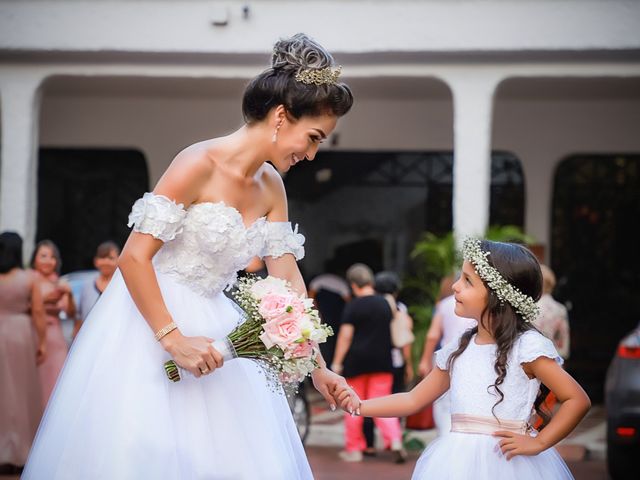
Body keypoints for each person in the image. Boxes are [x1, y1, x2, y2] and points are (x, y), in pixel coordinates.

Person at [23, 33, 357, 480]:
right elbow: (133, 259)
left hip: (220, 334)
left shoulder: (273, 186)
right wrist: (172, 338)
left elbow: (288, 285)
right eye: (313, 137)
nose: (312, 153)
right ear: (281, 116)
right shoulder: (197, 163)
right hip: (146, 325)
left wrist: (318, 369)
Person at [340, 239, 591, 479]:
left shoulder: (526, 348)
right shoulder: (458, 349)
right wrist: (359, 405)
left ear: (497, 295)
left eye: (468, 281)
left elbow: (576, 400)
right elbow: (412, 399)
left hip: (509, 464)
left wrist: (540, 443)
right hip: (455, 464)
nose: (455, 286)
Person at [331, 263, 405, 463]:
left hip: (356, 363)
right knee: (381, 403)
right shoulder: (385, 304)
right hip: (383, 361)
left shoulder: (353, 306)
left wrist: (337, 363)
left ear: (353, 285)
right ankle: (395, 440)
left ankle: (354, 449)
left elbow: (345, 337)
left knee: (353, 405)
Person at [0, 232, 46, 473]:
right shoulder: (29, 278)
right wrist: (42, 343)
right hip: (20, 335)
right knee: (20, 393)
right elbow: (38, 313)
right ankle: (20, 451)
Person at [417, 291, 476, 435]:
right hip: (473, 355)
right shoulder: (479, 301)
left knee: (443, 403)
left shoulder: (445, 304)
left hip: (447, 357)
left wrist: (425, 360)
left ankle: (445, 437)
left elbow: (433, 335)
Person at [30, 239, 76, 406]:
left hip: (56, 339)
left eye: (52, 257)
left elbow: (70, 313)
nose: (48, 261)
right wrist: (44, 300)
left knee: (57, 380)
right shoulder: (29, 281)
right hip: (34, 336)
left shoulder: (58, 282)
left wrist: (69, 295)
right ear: (34, 258)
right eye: (43, 256)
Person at [73, 241, 121, 337]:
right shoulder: (86, 287)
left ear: (119, 260)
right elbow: (80, 318)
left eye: (110, 258)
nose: (106, 262)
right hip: (89, 336)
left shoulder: (122, 287)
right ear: (96, 261)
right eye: (102, 257)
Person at [308, 262, 351, 365]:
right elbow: (349, 301)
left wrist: (315, 313)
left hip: (322, 315)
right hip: (336, 316)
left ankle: (321, 363)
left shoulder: (318, 281)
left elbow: (310, 297)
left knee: (321, 342)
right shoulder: (341, 283)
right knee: (334, 341)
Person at [534, 264, 570, 360]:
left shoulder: (531, 308)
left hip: (534, 361)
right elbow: (563, 343)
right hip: (555, 360)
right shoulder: (560, 309)